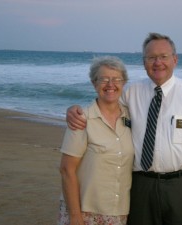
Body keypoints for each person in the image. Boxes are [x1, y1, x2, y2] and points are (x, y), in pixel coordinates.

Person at [66, 33, 182, 225]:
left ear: (175, 59)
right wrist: (74, 110)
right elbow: (105, 105)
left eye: (163, 56)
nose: (158, 62)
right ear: (144, 62)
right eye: (151, 57)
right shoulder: (131, 92)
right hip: (141, 184)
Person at [58, 56, 134, 225]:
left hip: (119, 213)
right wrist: (76, 216)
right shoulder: (81, 119)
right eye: (103, 79)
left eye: (116, 79)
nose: (110, 84)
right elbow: (66, 170)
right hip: (85, 213)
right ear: (94, 83)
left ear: (124, 83)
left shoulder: (133, 117)